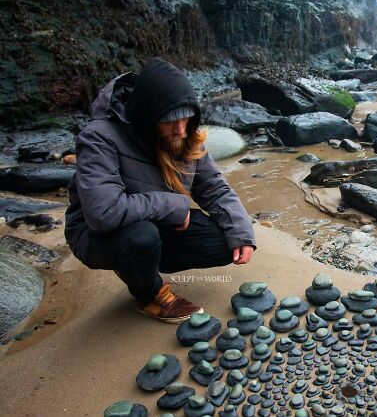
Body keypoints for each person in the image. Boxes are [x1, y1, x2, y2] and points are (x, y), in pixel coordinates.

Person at [64, 57, 256, 323]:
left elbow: (215, 188)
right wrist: (174, 206)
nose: (180, 129)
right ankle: (149, 294)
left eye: (186, 118)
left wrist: (242, 233)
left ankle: (144, 262)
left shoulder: (185, 134)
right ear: (147, 116)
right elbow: (103, 213)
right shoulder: (99, 137)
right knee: (141, 237)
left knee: (225, 242)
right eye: (168, 121)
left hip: (156, 221)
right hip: (96, 233)